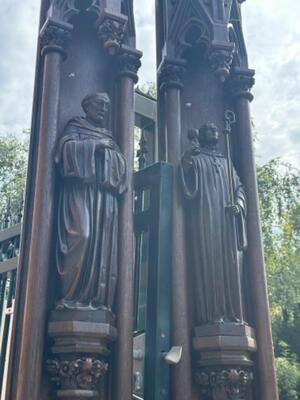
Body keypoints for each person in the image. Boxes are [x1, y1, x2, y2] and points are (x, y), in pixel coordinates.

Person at [55, 92, 127, 311]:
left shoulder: (108, 135)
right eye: (100, 104)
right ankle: (70, 297)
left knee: (102, 245)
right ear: (87, 106)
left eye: (107, 105)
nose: (104, 109)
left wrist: (110, 153)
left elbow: (122, 167)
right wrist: (95, 147)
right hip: (80, 192)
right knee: (82, 235)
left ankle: (95, 299)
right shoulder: (74, 127)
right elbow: (64, 152)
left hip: (103, 197)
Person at [181, 123, 247, 325]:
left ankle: (232, 313)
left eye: (216, 130)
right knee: (209, 264)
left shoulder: (226, 162)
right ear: (200, 134)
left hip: (226, 222)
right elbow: (185, 182)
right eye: (210, 129)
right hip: (206, 221)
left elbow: (239, 187)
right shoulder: (196, 158)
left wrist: (238, 203)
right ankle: (212, 314)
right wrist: (188, 158)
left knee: (232, 266)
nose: (215, 132)